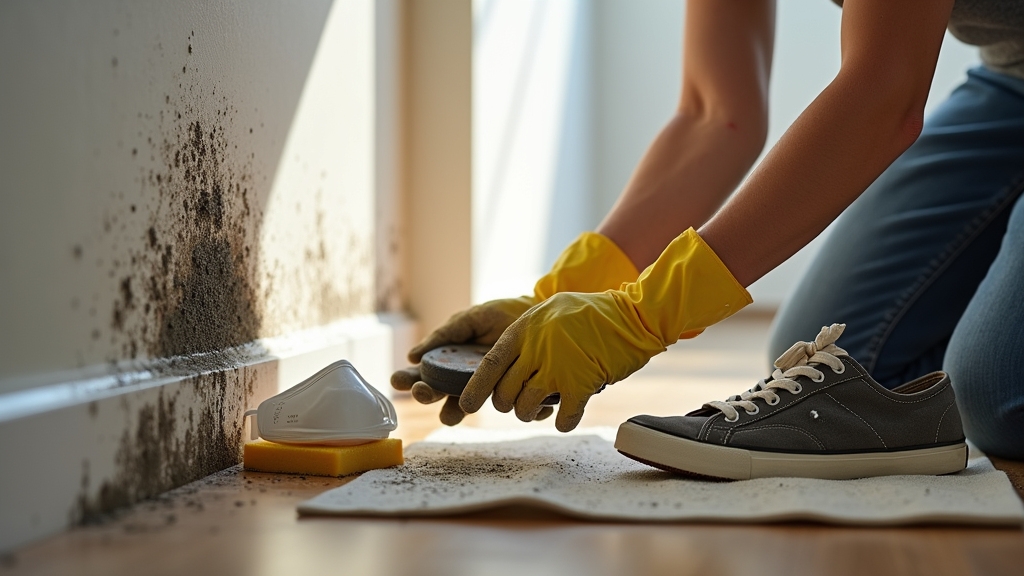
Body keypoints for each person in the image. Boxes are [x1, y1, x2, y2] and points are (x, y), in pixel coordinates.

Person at [392, 0, 1024, 460]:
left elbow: (883, 94)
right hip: (1010, 81)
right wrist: (565, 296)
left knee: (994, 394)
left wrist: (643, 318)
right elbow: (714, 116)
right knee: (846, 366)